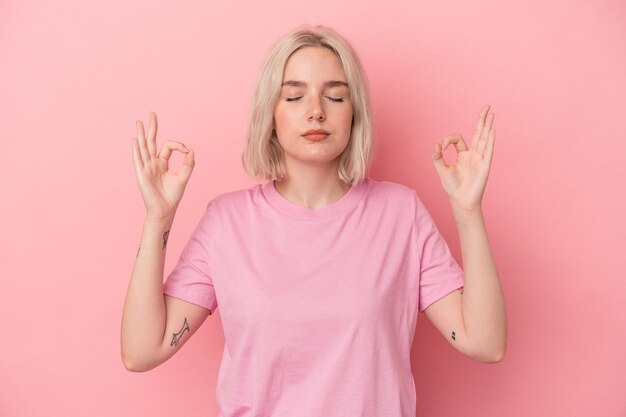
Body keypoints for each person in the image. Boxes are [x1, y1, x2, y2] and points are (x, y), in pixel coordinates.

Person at [121, 24, 507, 416]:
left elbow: (484, 342)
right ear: (269, 113)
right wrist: (158, 218)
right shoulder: (226, 223)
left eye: (336, 96)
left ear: (355, 112)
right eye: (294, 95)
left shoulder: (401, 213)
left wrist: (468, 212)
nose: (316, 110)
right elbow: (141, 351)